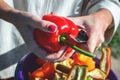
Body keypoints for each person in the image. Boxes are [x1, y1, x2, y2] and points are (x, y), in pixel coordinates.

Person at [0, 0, 120, 79]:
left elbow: (110, 2)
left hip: (68, 46)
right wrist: (11, 13)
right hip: (7, 41)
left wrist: (101, 18)